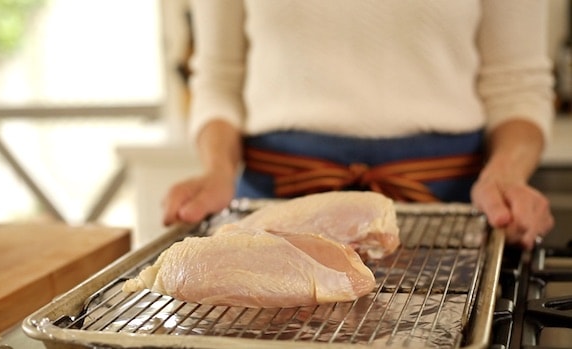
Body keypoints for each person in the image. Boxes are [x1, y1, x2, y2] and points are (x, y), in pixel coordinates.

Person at [162, 0, 555, 250]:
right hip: (276, 206)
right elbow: (218, 78)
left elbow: (517, 86)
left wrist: (506, 173)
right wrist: (217, 168)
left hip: (448, 209)